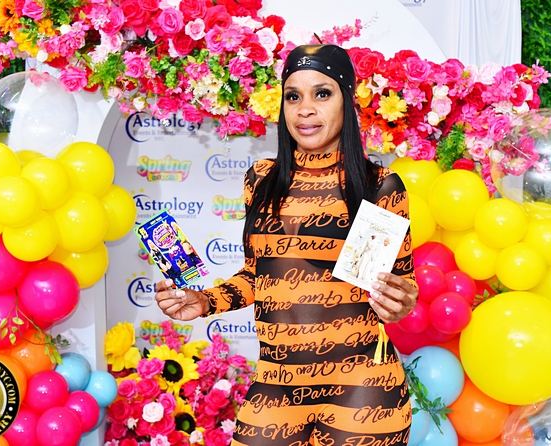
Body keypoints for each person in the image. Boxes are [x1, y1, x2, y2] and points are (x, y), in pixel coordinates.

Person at [155, 44, 419, 446]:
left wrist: (400, 302)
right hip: (276, 385)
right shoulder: (261, 180)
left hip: (363, 389)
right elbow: (256, 276)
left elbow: (399, 286)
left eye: (322, 93)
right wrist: (205, 301)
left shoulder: (378, 186)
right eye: (293, 96)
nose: (304, 110)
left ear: (347, 100)